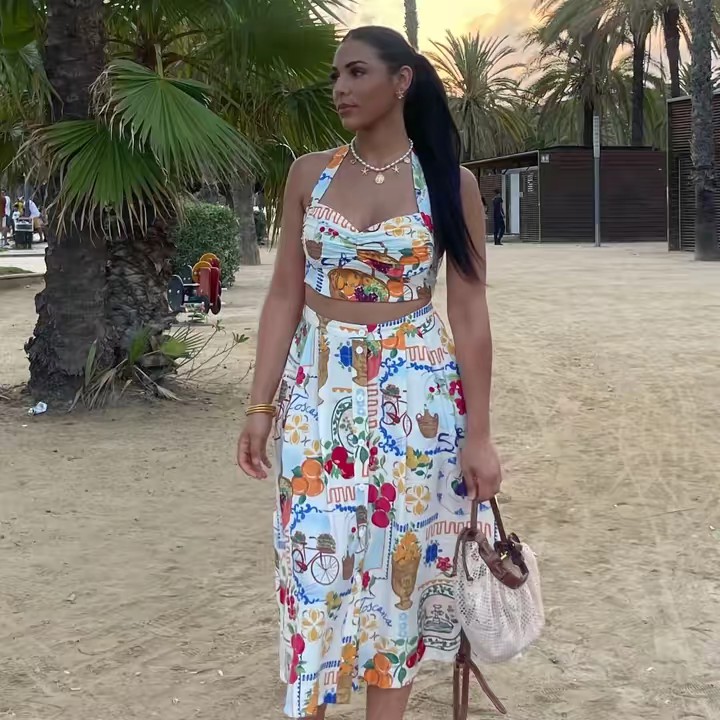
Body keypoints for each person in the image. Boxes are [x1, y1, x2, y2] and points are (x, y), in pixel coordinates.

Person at [237, 26, 501, 720]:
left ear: (401, 81)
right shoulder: (309, 175)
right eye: (335, 76)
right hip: (318, 394)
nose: (340, 89)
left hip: (418, 401)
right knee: (313, 573)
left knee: (399, 576)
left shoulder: (450, 184)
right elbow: (285, 295)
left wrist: (479, 436)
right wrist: (259, 407)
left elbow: (469, 312)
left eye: (356, 72)